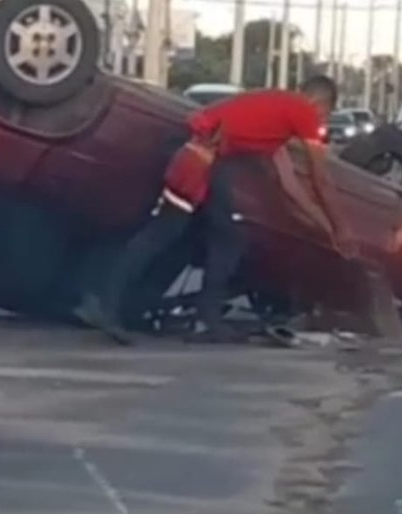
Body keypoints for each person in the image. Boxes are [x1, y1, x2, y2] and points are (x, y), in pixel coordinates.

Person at [77, 75, 351, 345]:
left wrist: (325, 228)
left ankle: (128, 304)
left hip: (197, 149)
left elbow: (290, 187)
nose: (322, 123)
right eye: (326, 114)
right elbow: (321, 179)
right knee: (218, 236)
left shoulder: (278, 113)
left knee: (181, 233)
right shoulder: (302, 110)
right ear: (320, 103)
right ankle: (187, 317)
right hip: (199, 154)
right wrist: (341, 228)